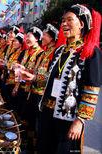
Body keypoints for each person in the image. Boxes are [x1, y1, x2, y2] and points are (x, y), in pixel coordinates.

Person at [36, 4, 102, 153]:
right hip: (47, 111)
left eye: (69, 20)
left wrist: (80, 120)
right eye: (63, 20)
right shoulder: (60, 50)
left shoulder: (91, 51)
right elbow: (50, 78)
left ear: (82, 24)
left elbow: (92, 89)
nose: (64, 24)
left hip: (68, 117)